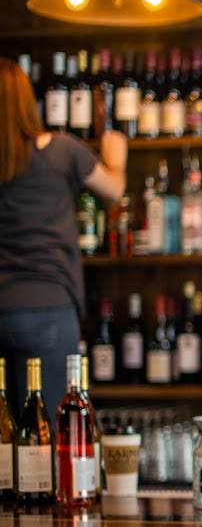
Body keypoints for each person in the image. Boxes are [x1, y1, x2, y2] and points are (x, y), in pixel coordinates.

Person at [0, 58, 126, 426]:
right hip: (49, 306)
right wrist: (116, 157)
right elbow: (114, 190)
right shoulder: (62, 149)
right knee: (54, 428)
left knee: (6, 431)